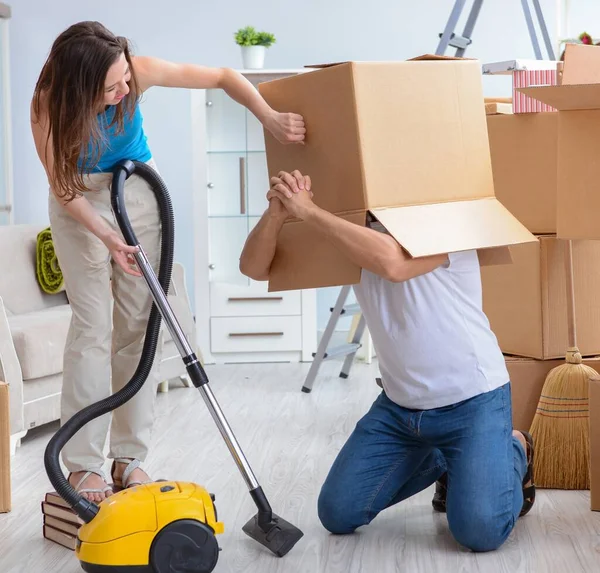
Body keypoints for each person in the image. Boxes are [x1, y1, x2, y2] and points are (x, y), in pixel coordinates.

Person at [30, 21, 306, 503]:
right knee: (93, 327)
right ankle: (82, 467)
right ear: (79, 87)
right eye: (111, 86)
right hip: (79, 204)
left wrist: (268, 115)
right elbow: (63, 186)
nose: (124, 90)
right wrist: (108, 237)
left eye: (125, 79)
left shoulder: (138, 72)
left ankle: (129, 459)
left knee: (139, 326)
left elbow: (223, 76)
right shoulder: (48, 104)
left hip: (138, 190)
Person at [238, 169, 536, 553]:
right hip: (401, 410)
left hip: (473, 401)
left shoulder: (448, 213)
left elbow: (393, 264)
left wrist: (310, 213)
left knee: (479, 532)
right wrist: (279, 212)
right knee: (338, 513)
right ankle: (457, 464)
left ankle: (514, 449)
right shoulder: (347, 224)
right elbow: (253, 267)